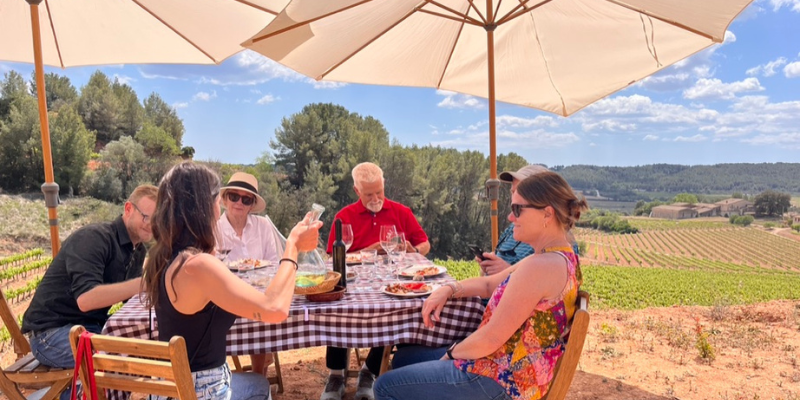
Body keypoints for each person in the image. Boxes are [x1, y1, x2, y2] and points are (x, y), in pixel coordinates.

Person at [374, 171, 588, 400]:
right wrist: (448, 289)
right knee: (403, 358)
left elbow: (491, 339)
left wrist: (452, 354)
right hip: (514, 372)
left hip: (503, 380)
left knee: (384, 386)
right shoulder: (554, 257)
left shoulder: (540, 266)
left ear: (547, 213)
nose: (510, 217)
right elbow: (488, 284)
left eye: (517, 209)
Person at [141, 162, 323, 400]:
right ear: (204, 207)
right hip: (202, 390)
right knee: (259, 388)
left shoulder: (166, 256)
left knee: (257, 382)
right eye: (218, 199)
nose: (220, 207)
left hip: (175, 387)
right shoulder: (198, 266)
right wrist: (293, 247)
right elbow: (275, 308)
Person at [22, 184, 158, 400]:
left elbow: (131, 302)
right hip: (51, 334)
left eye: (157, 220)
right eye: (146, 217)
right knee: (120, 360)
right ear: (128, 209)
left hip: (88, 328)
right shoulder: (94, 238)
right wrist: (144, 284)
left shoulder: (137, 250)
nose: (151, 225)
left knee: (144, 343)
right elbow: (86, 299)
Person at [321, 162, 430, 400]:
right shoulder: (344, 216)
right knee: (337, 309)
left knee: (391, 312)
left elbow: (425, 244)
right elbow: (332, 259)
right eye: (369, 194)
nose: (376, 198)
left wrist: (414, 250)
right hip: (353, 284)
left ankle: (369, 371)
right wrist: (372, 249)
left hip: (393, 283)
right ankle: (336, 374)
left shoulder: (401, 212)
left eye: (379, 191)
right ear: (356, 191)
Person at [216, 172, 286, 376]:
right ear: (225, 198)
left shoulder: (263, 226)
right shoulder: (214, 228)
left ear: (252, 204)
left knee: (264, 312)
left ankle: (259, 377)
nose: (239, 202)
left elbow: (274, 263)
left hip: (259, 291)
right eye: (234, 197)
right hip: (226, 294)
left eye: (246, 199)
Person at [476, 165, 547, 276]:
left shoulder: (555, 242)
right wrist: (488, 267)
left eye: (520, 193)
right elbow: (489, 281)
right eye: (513, 192)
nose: (514, 199)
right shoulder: (512, 229)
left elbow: (547, 287)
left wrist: (507, 271)